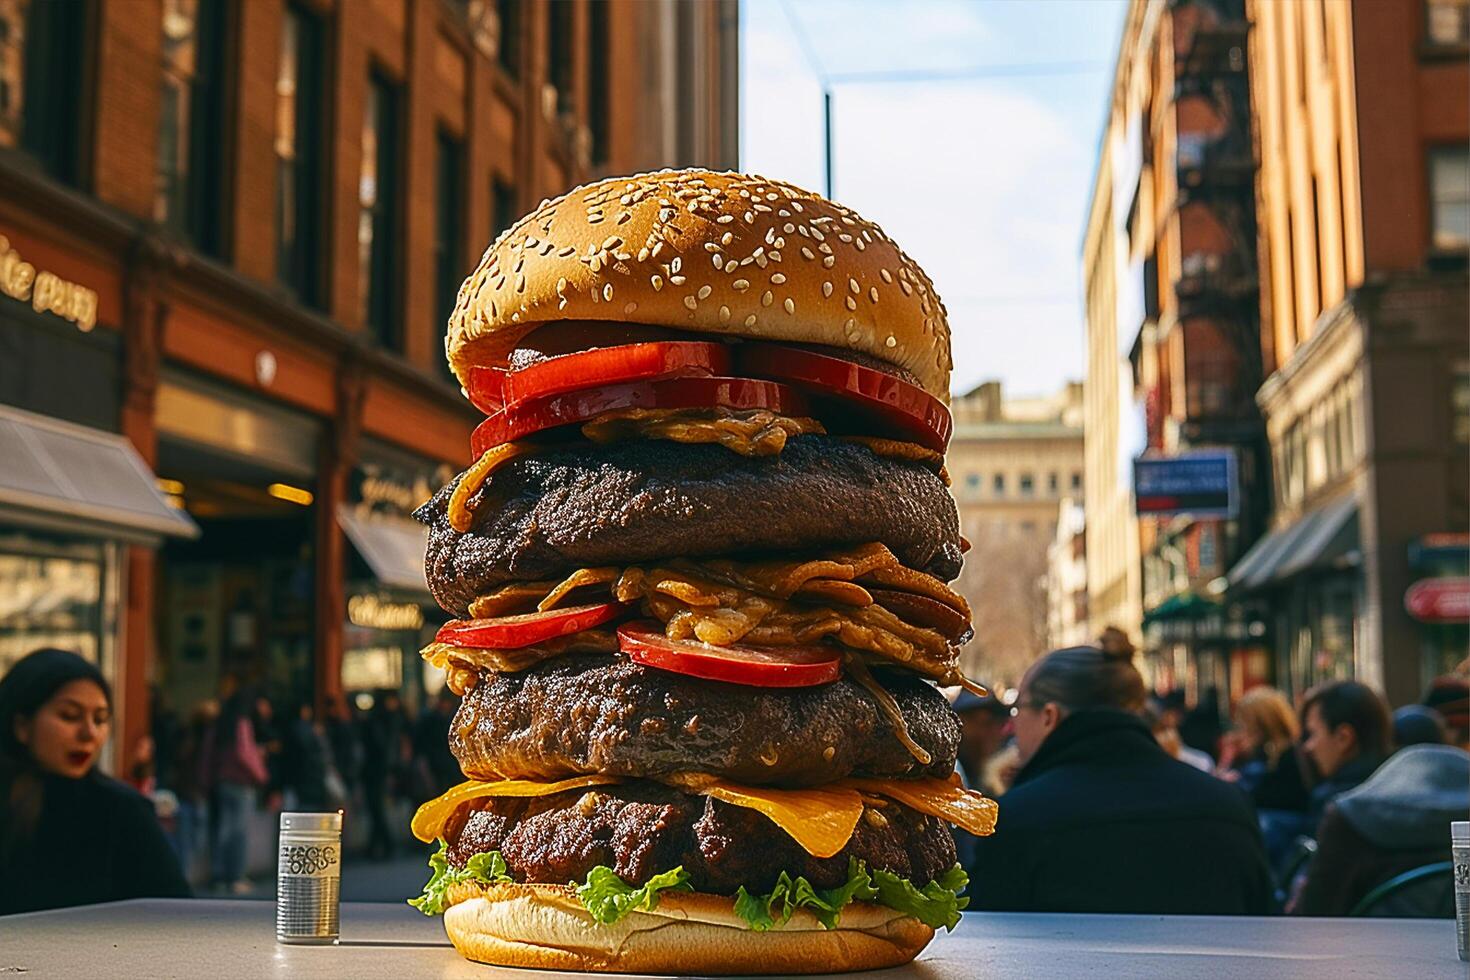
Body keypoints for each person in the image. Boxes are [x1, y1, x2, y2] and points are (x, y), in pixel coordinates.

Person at [966, 644, 1272, 914]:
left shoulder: (1014, 820)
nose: (1012, 725)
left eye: (1018, 709)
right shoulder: (1229, 806)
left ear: (1049, 715)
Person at [0, 649, 189, 914]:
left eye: (100, 719)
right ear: (21, 726)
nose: (89, 733)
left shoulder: (122, 811)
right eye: (69, 716)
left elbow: (176, 916)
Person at [1292, 743, 1469, 916]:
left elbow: (1313, 912)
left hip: (1360, 942)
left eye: (1312, 734)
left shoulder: (1348, 819)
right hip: (1451, 940)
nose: (1308, 746)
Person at [198, 677, 268, 893]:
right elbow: (245, 753)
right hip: (240, 782)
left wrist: (206, 779)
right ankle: (235, 876)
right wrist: (261, 774)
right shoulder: (241, 723)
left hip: (221, 782)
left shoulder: (220, 722)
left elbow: (208, 753)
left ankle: (219, 876)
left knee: (222, 829)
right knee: (238, 832)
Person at [1300, 680, 1391, 825]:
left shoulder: (1333, 805)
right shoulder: (1401, 789)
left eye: (1312, 734)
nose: (1308, 746)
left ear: (1344, 738)